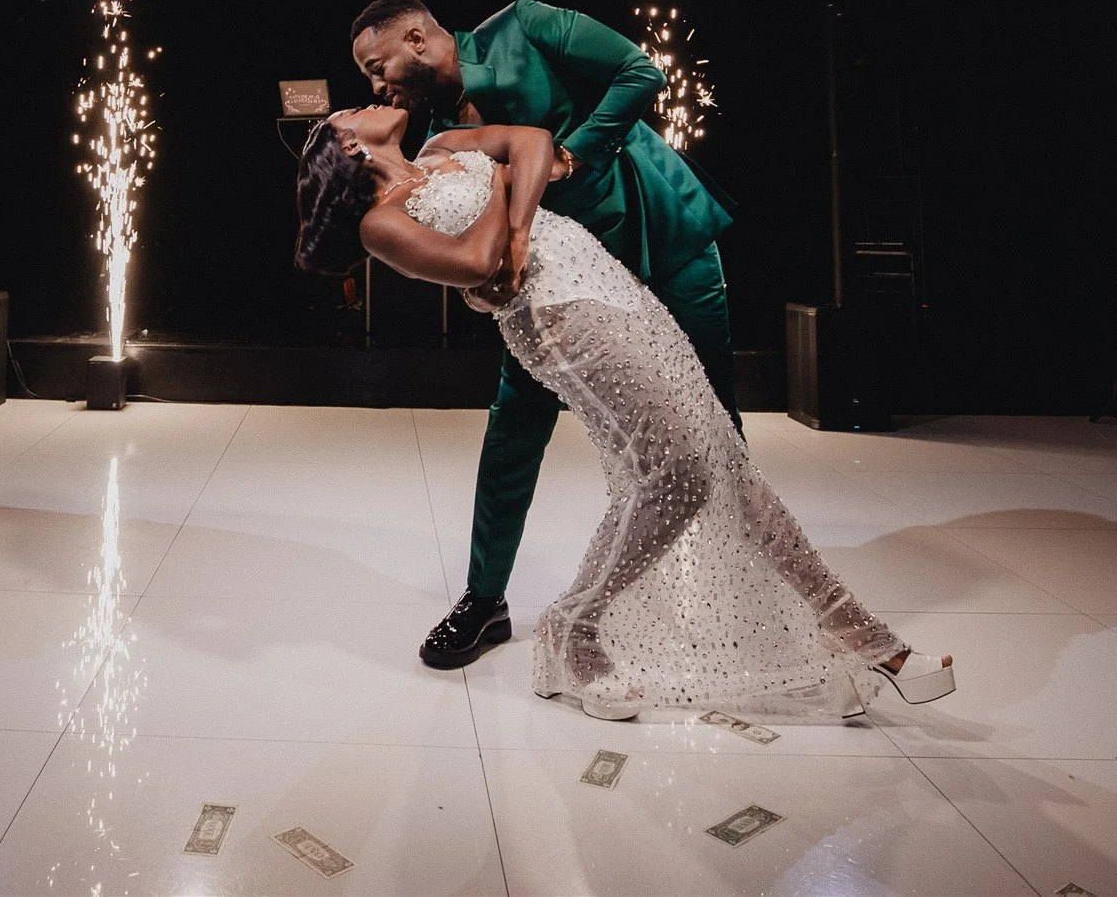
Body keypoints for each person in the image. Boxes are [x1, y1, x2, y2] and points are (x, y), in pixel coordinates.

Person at [294, 106, 955, 720]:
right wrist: (500, 183)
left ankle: (866, 639)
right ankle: (574, 633)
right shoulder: (381, 221)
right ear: (347, 144)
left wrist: (512, 220)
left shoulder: (442, 146)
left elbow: (532, 142)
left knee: (729, 468)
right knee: (680, 474)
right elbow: (474, 263)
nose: (369, 101)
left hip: (614, 291)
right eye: (352, 111)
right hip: (560, 322)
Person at [349, 0, 738, 670]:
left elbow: (640, 72)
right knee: (513, 428)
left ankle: (730, 585)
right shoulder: (434, 130)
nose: (376, 87)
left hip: (662, 233)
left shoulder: (524, 25)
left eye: (375, 67)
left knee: (715, 418)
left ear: (415, 38)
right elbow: (467, 230)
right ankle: (484, 601)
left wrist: (574, 155)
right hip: (561, 287)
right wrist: (480, 283)